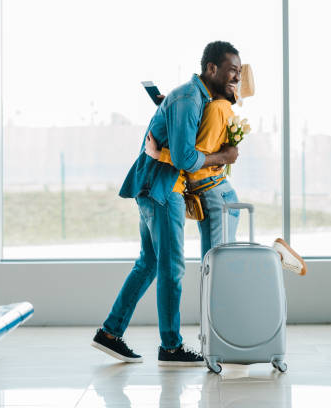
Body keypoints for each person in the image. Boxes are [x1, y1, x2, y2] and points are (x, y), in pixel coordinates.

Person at [91, 41, 241, 366]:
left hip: (152, 186)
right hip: (164, 187)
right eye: (232, 72)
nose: (236, 80)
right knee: (171, 268)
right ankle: (170, 347)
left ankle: (109, 333)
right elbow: (187, 159)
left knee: (148, 264)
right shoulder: (189, 98)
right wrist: (224, 156)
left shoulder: (190, 97)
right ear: (212, 69)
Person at [145, 64, 307, 275]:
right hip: (215, 193)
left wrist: (160, 155)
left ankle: (275, 256)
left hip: (213, 195)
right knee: (218, 265)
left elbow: (192, 159)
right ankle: (274, 256)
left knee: (217, 267)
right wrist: (176, 107)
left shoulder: (215, 110)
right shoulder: (219, 108)